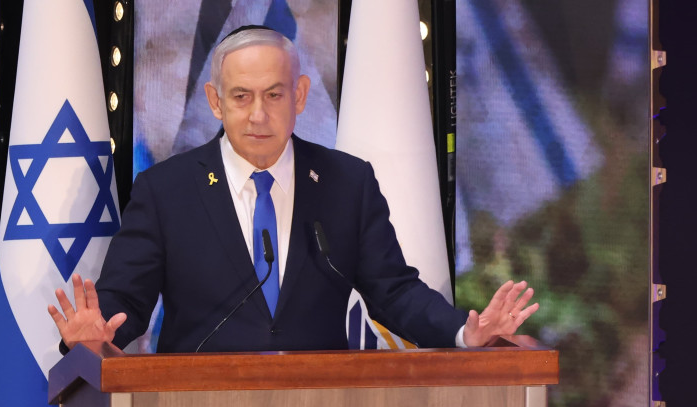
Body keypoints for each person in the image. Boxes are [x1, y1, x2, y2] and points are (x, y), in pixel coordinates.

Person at [48, 26, 538, 353]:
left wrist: (464, 330)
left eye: (274, 95)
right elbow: (124, 303)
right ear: (215, 102)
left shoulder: (348, 183)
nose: (258, 114)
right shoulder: (165, 191)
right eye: (241, 97)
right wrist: (93, 334)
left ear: (299, 95)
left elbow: (394, 292)